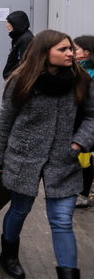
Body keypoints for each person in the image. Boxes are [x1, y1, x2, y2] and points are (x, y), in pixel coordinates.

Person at [0, 29, 94, 279]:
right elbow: (5, 120)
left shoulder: (81, 79)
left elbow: (91, 116)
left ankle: (68, 274)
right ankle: (9, 254)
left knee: (61, 219)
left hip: (64, 160)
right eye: (63, 49)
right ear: (44, 52)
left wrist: (78, 144)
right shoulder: (22, 79)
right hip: (23, 156)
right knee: (20, 209)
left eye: (71, 48)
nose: (71, 53)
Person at [74, 35, 94, 209]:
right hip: (80, 123)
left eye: (75, 49)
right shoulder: (79, 70)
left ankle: (83, 195)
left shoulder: (89, 75)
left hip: (87, 125)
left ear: (86, 52)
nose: (72, 52)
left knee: (86, 161)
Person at [3, 11, 34, 80]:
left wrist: (12, 75)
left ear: (17, 24)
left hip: (19, 79)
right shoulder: (19, 37)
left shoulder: (26, 40)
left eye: (9, 23)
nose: (7, 25)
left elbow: (24, 63)